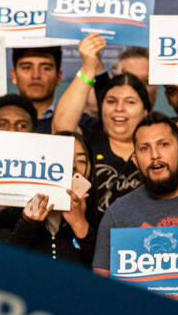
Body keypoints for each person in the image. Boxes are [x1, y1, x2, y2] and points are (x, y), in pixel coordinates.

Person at [92, 113, 178, 278]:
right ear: (136, 160)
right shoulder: (117, 214)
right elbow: (101, 282)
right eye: (144, 148)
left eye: (164, 144)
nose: (155, 155)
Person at [52, 34, 151, 216]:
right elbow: (62, 127)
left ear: (145, 111)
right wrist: (88, 69)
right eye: (111, 101)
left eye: (130, 102)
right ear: (101, 107)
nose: (119, 109)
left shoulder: (156, 149)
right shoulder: (88, 142)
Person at [0, 133, 95, 267]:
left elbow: (103, 276)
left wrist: (80, 224)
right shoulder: (3, 219)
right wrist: (27, 224)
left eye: (81, 161)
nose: (71, 167)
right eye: (62, 159)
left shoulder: (102, 219)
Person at [10, 46, 64, 132]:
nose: (36, 75)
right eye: (27, 67)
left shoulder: (80, 123)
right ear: (14, 75)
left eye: (46, 68)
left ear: (58, 77)